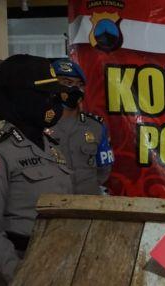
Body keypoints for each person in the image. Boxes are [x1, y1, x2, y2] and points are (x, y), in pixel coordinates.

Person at [0, 54, 73, 286]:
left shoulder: (53, 147)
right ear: (21, 97)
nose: (54, 103)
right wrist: (21, 277)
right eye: (45, 96)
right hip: (13, 279)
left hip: (55, 268)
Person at [50, 58, 114, 195]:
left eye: (80, 84)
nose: (75, 89)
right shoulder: (39, 126)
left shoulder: (96, 126)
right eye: (68, 83)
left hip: (88, 201)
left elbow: (104, 170)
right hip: (52, 203)